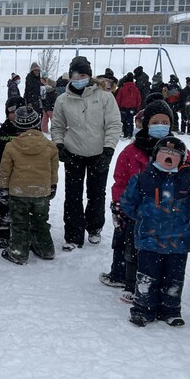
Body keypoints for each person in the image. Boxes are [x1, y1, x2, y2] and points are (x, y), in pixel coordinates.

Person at [100, 101, 190, 302]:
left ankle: (160, 287)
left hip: (168, 214)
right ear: (146, 123)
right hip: (138, 211)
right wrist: (119, 203)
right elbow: (121, 180)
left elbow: (189, 180)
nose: (160, 125)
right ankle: (131, 282)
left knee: (163, 252)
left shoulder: (180, 151)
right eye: (155, 121)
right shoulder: (132, 151)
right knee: (131, 247)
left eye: (164, 122)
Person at [120, 136, 190, 327]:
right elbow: (127, 202)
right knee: (146, 277)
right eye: (164, 152)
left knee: (174, 278)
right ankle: (143, 309)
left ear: (182, 159)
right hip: (149, 240)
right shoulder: (142, 179)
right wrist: (145, 216)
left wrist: (186, 214)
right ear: (155, 155)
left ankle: (171, 310)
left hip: (178, 242)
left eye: (175, 154)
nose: (169, 156)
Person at [51, 56, 120, 251]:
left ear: (89, 76)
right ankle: (73, 234)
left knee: (96, 193)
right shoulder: (62, 100)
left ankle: (94, 227)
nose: (79, 78)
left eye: (83, 74)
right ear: (70, 76)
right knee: (73, 195)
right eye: (75, 74)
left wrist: (108, 150)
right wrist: (59, 145)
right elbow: (57, 126)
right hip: (73, 152)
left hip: (99, 152)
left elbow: (114, 125)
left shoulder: (105, 96)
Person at [0, 106, 58, 264]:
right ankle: (46, 249)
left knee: (19, 223)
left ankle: (18, 252)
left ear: (17, 126)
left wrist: (4, 188)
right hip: (41, 191)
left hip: (19, 192)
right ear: (38, 123)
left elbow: (5, 171)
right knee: (41, 221)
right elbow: (53, 170)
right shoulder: (50, 146)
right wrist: (53, 185)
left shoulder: (11, 146)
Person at [0, 96, 25, 245]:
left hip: (22, 174)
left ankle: (22, 230)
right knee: (0, 199)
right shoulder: (2, 132)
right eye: (11, 111)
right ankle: (0, 229)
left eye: (18, 111)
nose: (15, 114)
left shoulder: (28, 132)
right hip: (0, 173)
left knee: (20, 203)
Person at [114, 73, 142, 138]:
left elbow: (118, 98)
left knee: (123, 121)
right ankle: (130, 134)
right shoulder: (136, 89)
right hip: (132, 108)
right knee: (130, 121)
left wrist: (118, 107)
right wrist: (137, 108)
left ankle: (125, 133)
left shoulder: (122, 88)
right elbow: (139, 99)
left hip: (123, 108)